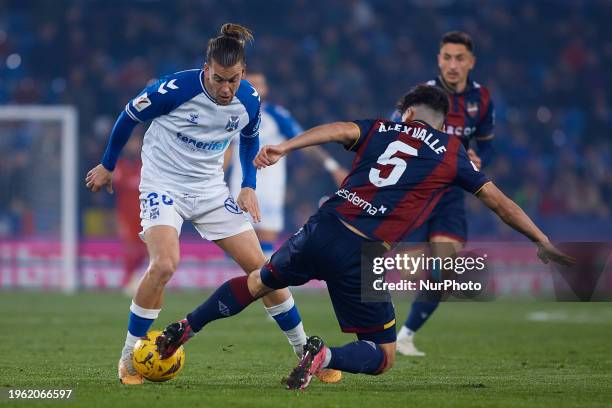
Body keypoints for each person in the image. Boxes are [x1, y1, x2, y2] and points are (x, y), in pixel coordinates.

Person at [155, 85, 573, 390]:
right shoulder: (451, 153)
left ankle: (185, 326)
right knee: (383, 354)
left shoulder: (381, 129)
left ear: (408, 113)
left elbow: (337, 129)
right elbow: (500, 203)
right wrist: (540, 238)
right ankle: (325, 356)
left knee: (259, 281)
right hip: (363, 253)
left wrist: (286, 147)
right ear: (440, 122)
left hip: (321, 227)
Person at [85, 23, 310, 385]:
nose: (226, 88)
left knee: (265, 271)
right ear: (206, 69)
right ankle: (129, 354)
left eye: (233, 80)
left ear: (242, 74)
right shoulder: (174, 89)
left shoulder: (249, 99)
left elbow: (250, 139)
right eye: (220, 79)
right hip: (163, 185)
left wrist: (248, 185)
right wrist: (108, 165)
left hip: (210, 191)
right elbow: (129, 116)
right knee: (164, 265)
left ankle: (304, 352)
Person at [391, 32, 496, 356]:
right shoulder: (423, 96)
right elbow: (393, 134)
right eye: (447, 57)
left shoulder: (482, 100)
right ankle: (375, 331)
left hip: (450, 195)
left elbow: (486, 147)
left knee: (444, 270)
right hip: (417, 192)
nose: (453, 65)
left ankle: (405, 336)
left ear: (471, 62)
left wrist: (477, 158)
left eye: (459, 58)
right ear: (439, 59)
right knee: (405, 270)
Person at [227, 71, 348, 258]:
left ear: (266, 89)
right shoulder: (229, 115)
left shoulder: (277, 115)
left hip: (270, 186)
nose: (255, 89)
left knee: (266, 238)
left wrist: (332, 166)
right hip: (240, 185)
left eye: (259, 84)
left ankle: (261, 283)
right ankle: (238, 284)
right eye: (250, 84)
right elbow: (226, 151)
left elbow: (304, 142)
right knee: (237, 239)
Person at [112, 135, 147, 295]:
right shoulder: (119, 167)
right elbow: (110, 193)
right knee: (130, 250)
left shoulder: (147, 165)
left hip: (146, 217)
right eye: (131, 143)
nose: (133, 146)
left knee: (145, 251)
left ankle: (137, 279)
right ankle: (128, 280)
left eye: (136, 142)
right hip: (126, 218)